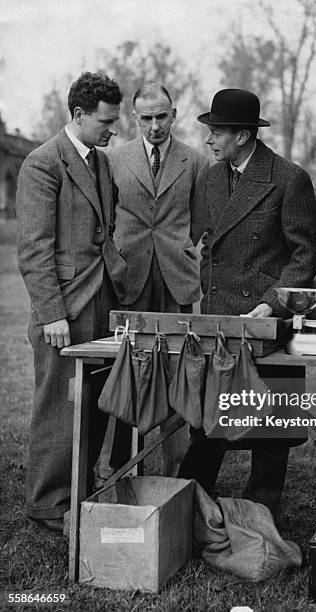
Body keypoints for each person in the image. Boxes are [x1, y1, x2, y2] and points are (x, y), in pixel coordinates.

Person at [178, 88, 316, 513]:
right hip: (221, 317)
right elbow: (207, 242)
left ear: (243, 135)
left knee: (271, 417)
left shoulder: (288, 178)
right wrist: (207, 288)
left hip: (265, 318)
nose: (208, 140)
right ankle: (191, 502)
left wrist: (272, 303)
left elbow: (306, 254)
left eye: (216, 132)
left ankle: (262, 509)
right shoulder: (210, 177)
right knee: (211, 416)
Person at [16, 72, 126, 532]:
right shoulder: (42, 164)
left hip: (101, 299)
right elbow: (34, 249)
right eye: (105, 121)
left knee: (95, 404)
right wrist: (52, 314)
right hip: (63, 309)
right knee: (59, 408)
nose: (112, 130)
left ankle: (78, 494)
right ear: (78, 114)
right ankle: (47, 504)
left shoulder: (99, 162)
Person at [109, 83, 208, 475]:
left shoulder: (195, 162)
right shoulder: (114, 160)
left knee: (178, 370)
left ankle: (177, 470)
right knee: (126, 370)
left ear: (174, 114)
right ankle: (120, 465)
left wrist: (180, 249)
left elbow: (201, 221)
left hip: (176, 279)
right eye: (146, 118)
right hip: (128, 279)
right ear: (134, 119)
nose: (154, 126)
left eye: (161, 117)